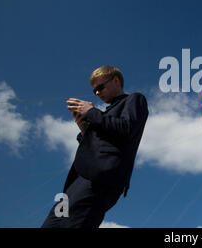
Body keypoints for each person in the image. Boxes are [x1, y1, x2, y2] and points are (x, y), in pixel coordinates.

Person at [42, 65, 148, 227]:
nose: (97, 93)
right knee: (53, 222)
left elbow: (127, 129)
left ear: (115, 80)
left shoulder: (134, 99)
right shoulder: (104, 115)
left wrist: (91, 112)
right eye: (94, 91)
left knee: (75, 223)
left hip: (101, 179)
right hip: (81, 178)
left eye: (100, 87)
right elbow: (100, 142)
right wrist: (85, 130)